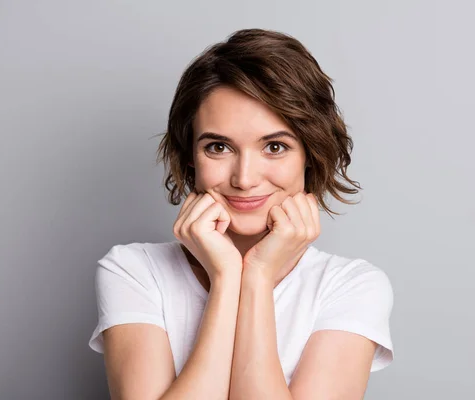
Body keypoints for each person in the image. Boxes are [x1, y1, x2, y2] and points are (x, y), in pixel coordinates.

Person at [88, 28, 394, 400]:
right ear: (190, 157)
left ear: (311, 155)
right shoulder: (133, 271)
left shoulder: (350, 287)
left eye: (275, 147)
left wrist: (258, 278)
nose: (245, 179)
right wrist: (227, 277)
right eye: (218, 147)